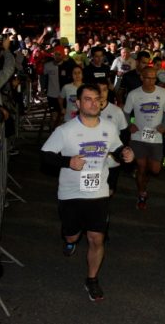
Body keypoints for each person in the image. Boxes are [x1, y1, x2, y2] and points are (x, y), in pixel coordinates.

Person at [41, 83, 134, 302]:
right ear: (78, 103)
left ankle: (92, 279)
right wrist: (68, 161)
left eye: (96, 99)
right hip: (71, 193)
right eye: (88, 99)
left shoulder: (110, 127)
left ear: (102, 102)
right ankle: (70, 239)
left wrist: (125, 153)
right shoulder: (65, 130)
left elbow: (117, 147)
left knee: (96, 238)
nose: (93, 103)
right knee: (72, 234)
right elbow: (45, 155)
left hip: (98, 193)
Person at [123, 67, 165, 210]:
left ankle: (144, 178)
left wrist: (164, 125)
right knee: (141, 167)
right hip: (138, 137)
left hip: (155, 137)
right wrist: (129, 125)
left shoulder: (162, 93)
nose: (151, 81)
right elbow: (125, 113)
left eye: (154, 78)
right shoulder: (133, 94)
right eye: (148, 78)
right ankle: (142, 193)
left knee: (155, 169)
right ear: (142, 78)